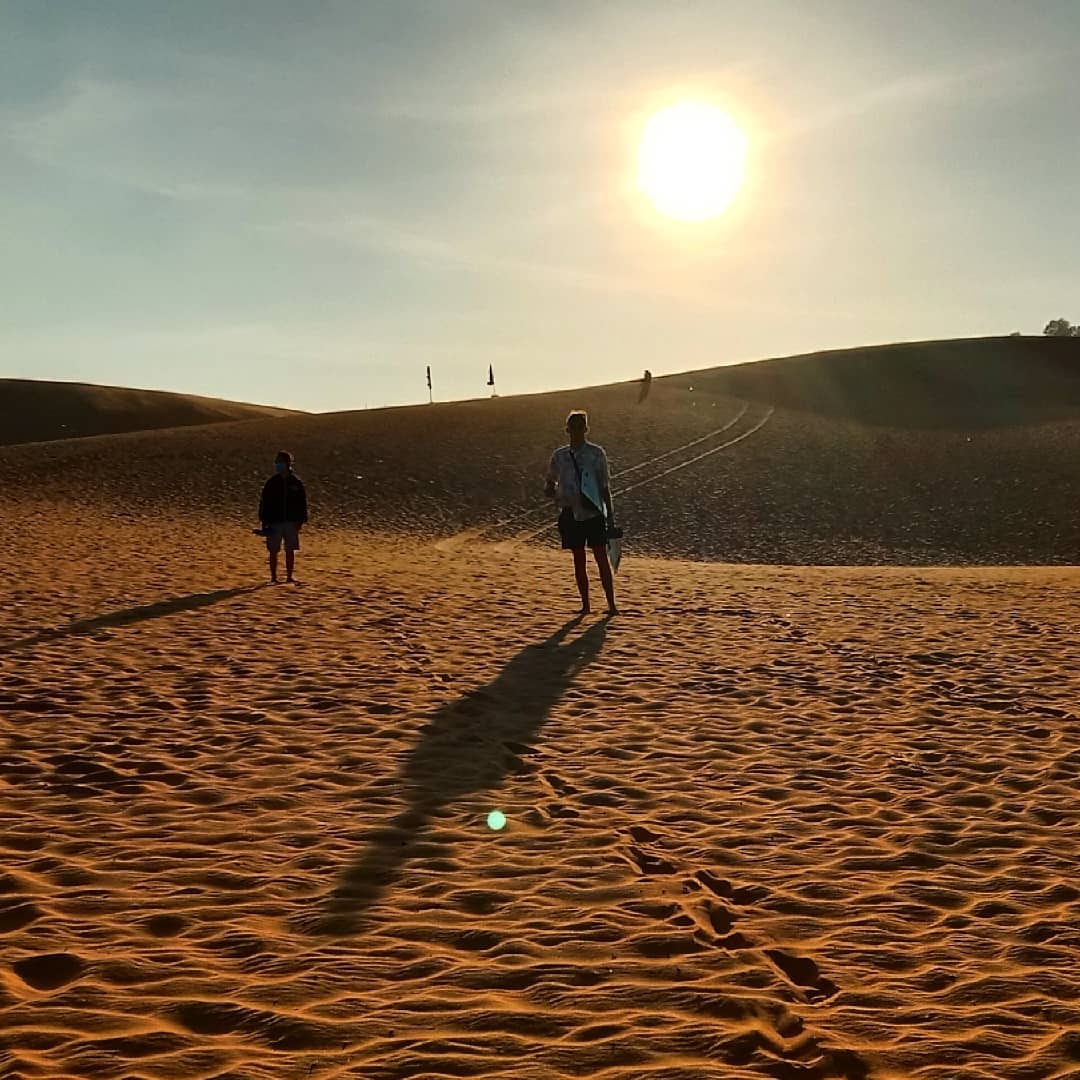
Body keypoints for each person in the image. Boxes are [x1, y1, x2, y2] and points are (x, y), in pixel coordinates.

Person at [545, 411, 618, 615]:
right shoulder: (559, 455)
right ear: (567, 429)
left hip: (593, 512)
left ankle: (611, 605)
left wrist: (610, 515)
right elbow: (550, 480)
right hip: (570, 512)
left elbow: (605, 486)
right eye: (573, 426)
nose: (576, 430)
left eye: (580, 426)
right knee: (578, 559)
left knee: (601, 557)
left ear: (586, 429)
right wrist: (551, 490)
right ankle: (585, 605)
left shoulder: (596, 453)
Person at [258, 450, 308, 584]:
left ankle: (289, 576)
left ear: (287, 463)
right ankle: (273, 578)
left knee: (290, 549)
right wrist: (263, 521)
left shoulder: (295, 482)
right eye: (276, 462)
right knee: (273, 550)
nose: (277, 464)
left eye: (279, 462)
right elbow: (264, 502)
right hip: (274, 521)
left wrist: (301, 520)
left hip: (291, 521)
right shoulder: (272, 483)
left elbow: (302, 503)